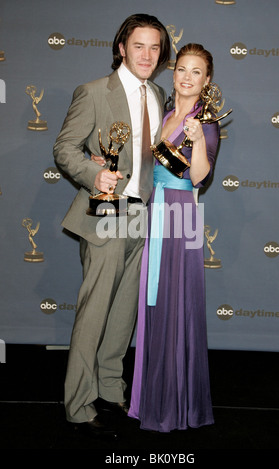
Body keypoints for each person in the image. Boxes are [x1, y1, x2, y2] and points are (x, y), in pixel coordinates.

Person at [53, 14, 170, 438]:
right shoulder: (93, 92)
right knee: (95, 311)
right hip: (105, 211)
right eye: (138, 45)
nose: (147, 54)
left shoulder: (159, 94)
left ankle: (109, 386)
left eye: (155, 47)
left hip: (144, 213)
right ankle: (79, 403)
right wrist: (91, 173)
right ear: (122, 47)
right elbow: (65, 148)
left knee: (123, 313)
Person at [128, 43, 220, 432]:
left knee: (174, 305)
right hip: (153, 212)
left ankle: (173, 406)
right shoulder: (165, 114)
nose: (186, 77)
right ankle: (151, 397)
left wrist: (198, 138)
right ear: (173, 72)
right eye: (182, 69)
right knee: (155, 308)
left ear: (207, 80)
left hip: (180, 216)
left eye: (196, 72)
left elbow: (200, 176)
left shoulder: (208, 120)